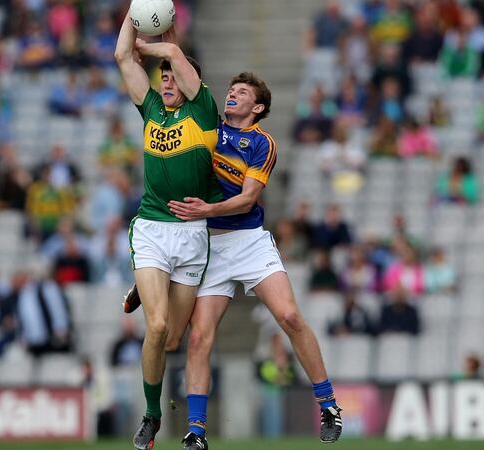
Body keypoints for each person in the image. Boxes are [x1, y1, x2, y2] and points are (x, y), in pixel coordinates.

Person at [167, 72, 343, 448]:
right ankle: (196, 433)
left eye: (242, 92)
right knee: (198, 338)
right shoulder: (207, 127)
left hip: (249, 242)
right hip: (209, 246)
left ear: (257, 107)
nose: (232, 94)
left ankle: (328, 405)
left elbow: (248, 199)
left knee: (291, 317)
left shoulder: (263, 143)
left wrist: (207, 208)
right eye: (231, 90)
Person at [114, 9, 222, 449]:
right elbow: (122, 56)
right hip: (154, 226)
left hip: (192, 236)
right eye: (164, 77)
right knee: (156, 328)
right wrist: (134, 13)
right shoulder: (152, 108)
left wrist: (154, 46)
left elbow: (174, 51)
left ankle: (146, 284)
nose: (167, 81)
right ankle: (152, 415)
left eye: (175, 76)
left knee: (173, 339)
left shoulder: (204, 111)